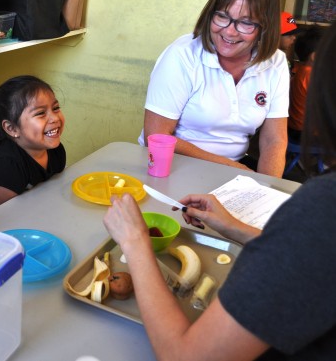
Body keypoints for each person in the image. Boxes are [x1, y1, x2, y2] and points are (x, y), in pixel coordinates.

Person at [103, 23, 336, 360]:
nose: (232, 31)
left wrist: (135, 241)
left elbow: (186, 356)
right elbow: (313, 261)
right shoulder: (182, 55)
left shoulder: (321, 207)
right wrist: (239, 229)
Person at [139, 0, 289, 177]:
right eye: (222, 16)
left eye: (245, 23)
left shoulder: (275, 63)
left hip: (231, 172)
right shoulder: (182, 55)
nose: (229, 31)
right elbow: (156, 135)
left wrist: (266, 189)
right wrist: (233, 169)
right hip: (169, 167)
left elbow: (274, 140)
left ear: (266, 27)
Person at [0, 75, 66, 219]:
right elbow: (10, 218)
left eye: (56, 108)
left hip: (38, 214)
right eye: (40, 113)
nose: (55, 118)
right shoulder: (7, 164)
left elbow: (52, 192)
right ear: (12, 129)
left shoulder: (56, 150)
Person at [288, 26, 323, 144]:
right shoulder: (312, 76)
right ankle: (326, 162)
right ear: (314, 56)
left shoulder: (300, 70)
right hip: (305, 133)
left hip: (294, 128)